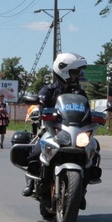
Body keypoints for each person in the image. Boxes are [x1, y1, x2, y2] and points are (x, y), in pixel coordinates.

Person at [22, 52, 88, 197]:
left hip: (74, 130)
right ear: (64, 71)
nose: (77, 75)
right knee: (36, 152)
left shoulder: (79, 93)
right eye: (74, 72)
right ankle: (31, 182)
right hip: (52, 129)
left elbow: (86, 108)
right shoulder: (48, 90)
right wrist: (38, 111)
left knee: (92, 148)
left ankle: (82, 187)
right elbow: (40, 104)